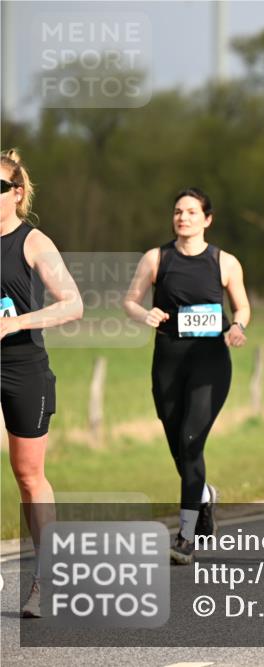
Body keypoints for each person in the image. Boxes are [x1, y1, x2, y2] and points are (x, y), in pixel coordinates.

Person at [123, 188, 250, 565]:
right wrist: (144, 314)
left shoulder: (225, 262)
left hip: (210, 361)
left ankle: (185, 537)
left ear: (207, 219)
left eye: (192, 212)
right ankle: (204, 495)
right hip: (168, 360)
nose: (183, 218)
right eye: (178, 211)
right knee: (178, 442)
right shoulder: (156, 258)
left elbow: (242, 306)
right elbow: (130, 301)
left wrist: (238, 326)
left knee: (191, 441)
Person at [1, 149, 84, 616]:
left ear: (16, 193)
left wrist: (16, 323)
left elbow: (73, 303)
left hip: (22, 366)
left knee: (28, 475)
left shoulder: (33, 242)